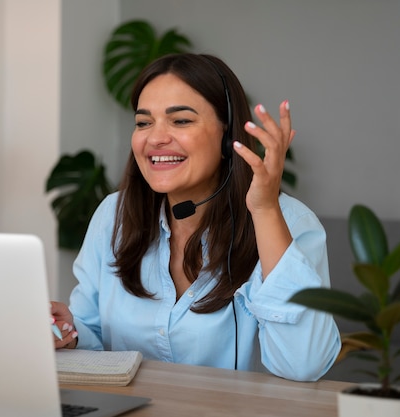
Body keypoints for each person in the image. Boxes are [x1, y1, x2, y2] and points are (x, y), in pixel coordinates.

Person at [51, 53, 341, 382]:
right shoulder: (113, 216)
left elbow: (304, 365)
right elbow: (92, 333)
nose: (155, 138)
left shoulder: (291, 222)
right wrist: (70, 334)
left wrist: (264, 211)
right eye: (144, 122)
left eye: (181, 121)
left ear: (227, 136)